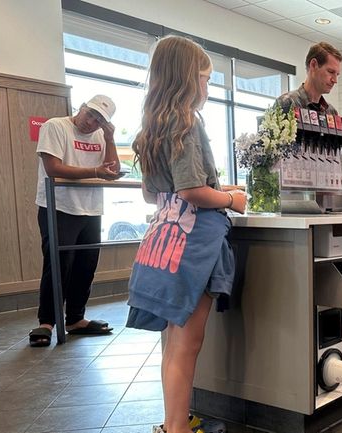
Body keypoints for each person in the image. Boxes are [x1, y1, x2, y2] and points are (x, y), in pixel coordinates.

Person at [126, 35, 247, 433]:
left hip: (163, 240)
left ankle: (172, 423)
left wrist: (217, 190)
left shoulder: (153, 125)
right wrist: (231, 198)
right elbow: (192, 191)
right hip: (194, 244)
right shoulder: (186, 121)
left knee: (172, 345)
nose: (208, 88)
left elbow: (151, 192)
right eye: (206, 79)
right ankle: (177, 429)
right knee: (187, 345)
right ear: (185, 78)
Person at [29, 94, 121, 347]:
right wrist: (94, 172)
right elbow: (53, 168)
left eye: (99, 120)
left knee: (86, 263)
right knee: (59, 263)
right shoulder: (56, 126)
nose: (91, 122)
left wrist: (110, 138)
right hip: (58, 205)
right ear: (80, 108)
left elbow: (112, 171)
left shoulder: (102, 135)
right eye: (90, 114)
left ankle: (75, 319)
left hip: (90, 208)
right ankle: (46, 322)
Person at [275, 41, 342, 115]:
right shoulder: (287, 103)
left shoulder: (331, 112)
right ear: (313, 65)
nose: (335, 80)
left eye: (337, 74)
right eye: (330, 72)